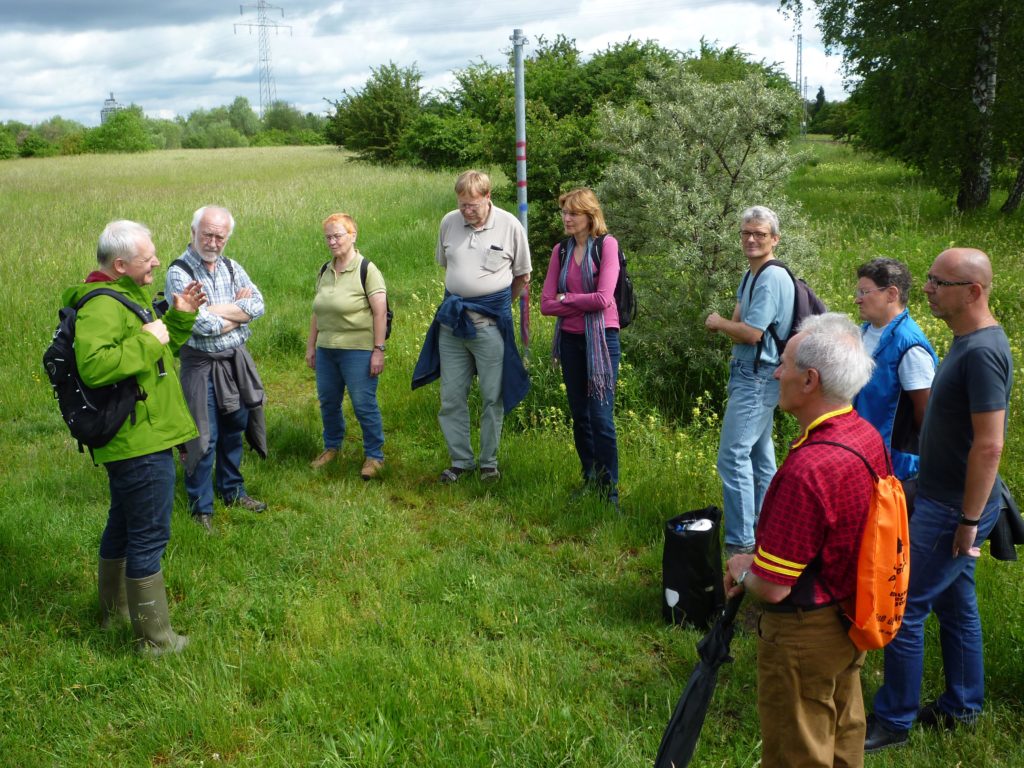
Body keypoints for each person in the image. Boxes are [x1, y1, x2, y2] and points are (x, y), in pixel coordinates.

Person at [865, 248, 1013, 752]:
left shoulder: (983, 352)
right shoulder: (965, 340)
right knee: (957, 604)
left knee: (905, 607)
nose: (926, 288)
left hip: (954, 506)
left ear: (972, 291)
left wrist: (969, 519)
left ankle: (894, 719)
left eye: (938, 282)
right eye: (927, 278)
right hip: (946, 497)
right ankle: (962, 706)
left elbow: (990, 444)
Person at [724, 312, 886, 768]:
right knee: (842, 734)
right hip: (849, 617)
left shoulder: (808, 469)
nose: (776, 371)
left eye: (785, 364)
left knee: (798, 752)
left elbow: (773, 586)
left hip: (804, 632)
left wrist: (741, 568)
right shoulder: (864, 434)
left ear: (810, 380)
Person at [65, 220, 205, 655]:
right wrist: (149, 339)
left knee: (124, 525)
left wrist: (177, 318)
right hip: (139, 440)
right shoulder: (102, 306)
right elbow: (96, 366)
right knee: (149, 535)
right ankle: (156, 641)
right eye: (149, 258)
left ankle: (113, 615)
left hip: (141, 434)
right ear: (121, 264)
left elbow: (158, 353)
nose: (158, 262)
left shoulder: (128, 296)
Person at [412, 170, 531, 483]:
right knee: (451, 396)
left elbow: (522, 276)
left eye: (473, 205)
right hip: (452, 326)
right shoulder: (449, 222)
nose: (466, 211)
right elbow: (448, 266)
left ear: (488, 197)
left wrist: (497, 307)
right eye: (462, 204)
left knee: (493, 396)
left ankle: (489, 462)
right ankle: (460, 461)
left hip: (489, 326)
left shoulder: (509, 226)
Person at [166, 205, 267, 533]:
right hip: (200, 367)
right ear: (192, 232)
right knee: (202, 437)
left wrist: (218, 311)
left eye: (220, 236)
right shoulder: (179, 273)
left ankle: (233, 491)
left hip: (234, 363)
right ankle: (201, 507)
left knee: (234, 427)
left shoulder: (232, 267)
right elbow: (202, 325)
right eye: (207, 234)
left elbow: (258, 305)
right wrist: (238, 314)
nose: (213, 241)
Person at [705, 206, 795, 556]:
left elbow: (750, 332)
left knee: (732, 457)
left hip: (758, 377)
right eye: (746, 233)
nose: (751, 239)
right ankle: (769, 530)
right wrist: (732, 326)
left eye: (759, 234)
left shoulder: (771, 277)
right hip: (752, 373)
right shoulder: (752, 274)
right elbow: (740, 324)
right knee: (760, 458)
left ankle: (741, 544)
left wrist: (718, 322)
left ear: (775, 238)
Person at [540, 188, 621, 509]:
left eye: (573, 213)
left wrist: (567, 299)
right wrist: (573, 304)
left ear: (590, 217)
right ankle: (590, 478)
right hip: (571, 341)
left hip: (602, 340)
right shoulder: (560, 251)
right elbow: (546, 304)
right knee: (580, 416)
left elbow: (604, 299)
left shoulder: (607, 246)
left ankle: (610, 489)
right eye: (564, 212)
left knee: (601, 417)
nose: (567, 218)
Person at [306, 213, 388, 480]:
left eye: (337, 235)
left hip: (359, 350)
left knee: (363, 403)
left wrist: (378, 349)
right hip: (326, 349)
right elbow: (317, 312)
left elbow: (380, 312)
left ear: (353, 236)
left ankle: (374, 456)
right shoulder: (324, 270)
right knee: (328, 401)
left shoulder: (367, 269)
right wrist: (311, 347)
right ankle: (331, 447)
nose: (332, 241)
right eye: (328, 236)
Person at [852, 258, 937, 481]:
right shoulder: (865, 331)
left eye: (864, 292)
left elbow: (926, 412)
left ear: (891, 294)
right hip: (860, 454)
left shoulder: (909, 346)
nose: (857, 299)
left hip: (892, 467)